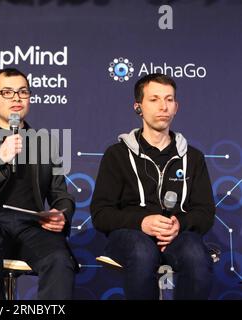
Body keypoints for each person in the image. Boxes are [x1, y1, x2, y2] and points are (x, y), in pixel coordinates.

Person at [0, 68, 77, 300]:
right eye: (7, 92)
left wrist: (63, 214)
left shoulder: (45, 142)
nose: (16, 98)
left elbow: (61, 194)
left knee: (60, 259)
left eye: (23, 92)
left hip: (31, 228)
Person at [90, 73, 215, 300]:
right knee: (142, 252)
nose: (163, 107)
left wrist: (180, 224)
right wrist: (142, 222)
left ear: (176, 107)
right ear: (138, 107)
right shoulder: (116, 155)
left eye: (169, 100)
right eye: (154, 99)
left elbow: (205, 212)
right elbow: (101, 214)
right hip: (129, 235)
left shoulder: (194, 158)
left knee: (196, 254)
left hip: (177, 236)